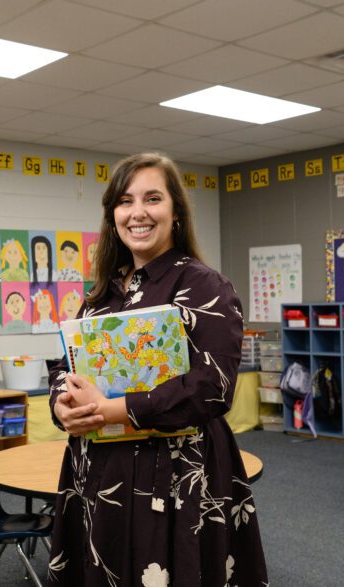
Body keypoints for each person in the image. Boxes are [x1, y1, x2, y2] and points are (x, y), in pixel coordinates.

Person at [47, 153, 267, 586]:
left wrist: (112, 410)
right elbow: (64, 363)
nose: (138, 213)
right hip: (101, 470)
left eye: (153, 198)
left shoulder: (204, 286)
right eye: (125, 201)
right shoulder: (102, 295)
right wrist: (62, 405)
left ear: (176, 212)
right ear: (113, 215)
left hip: (176, 474)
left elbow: (212, 387)